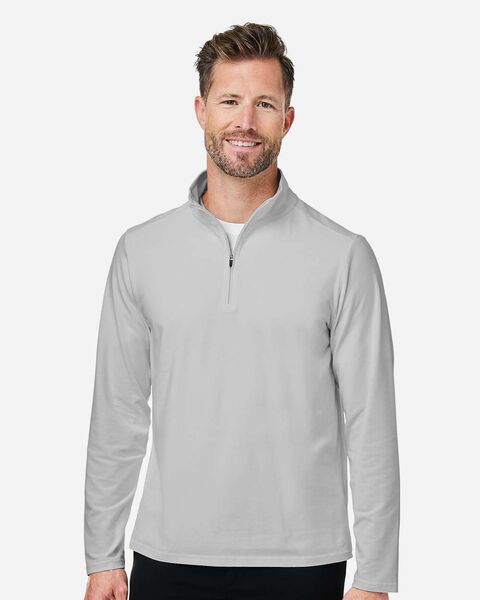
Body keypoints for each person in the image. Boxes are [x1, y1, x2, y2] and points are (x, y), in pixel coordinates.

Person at [83, 22, 400, 600]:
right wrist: (102, 555)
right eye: (230, 101)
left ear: (288, 119)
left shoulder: (343, 256)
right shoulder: (141, 250)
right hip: (168, 558)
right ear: (201, 110)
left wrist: (375, 576)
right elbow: (117, 411)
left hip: (305, 563)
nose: (245, 122)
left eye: (265, 104)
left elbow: (371, 422)